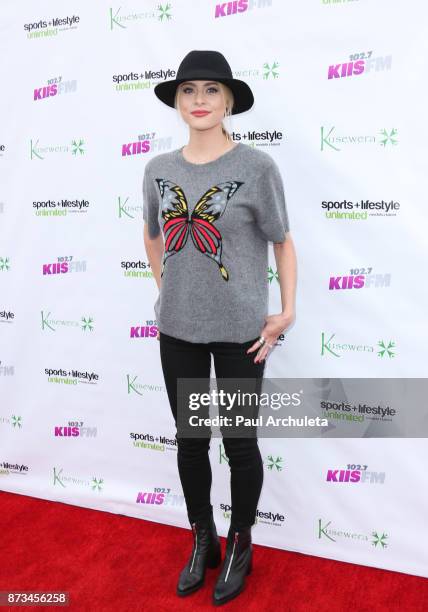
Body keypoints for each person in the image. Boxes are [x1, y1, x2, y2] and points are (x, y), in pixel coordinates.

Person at [142, 49, 297, 606]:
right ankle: (202, 536)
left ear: (229, 100)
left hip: (241, 332)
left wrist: (286, 311)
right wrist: (168, 290)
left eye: (211, 90)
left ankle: (240, 542)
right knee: (190, 440)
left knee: (239, 444)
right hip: (178, 329)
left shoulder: (257, 167)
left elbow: (282, 241)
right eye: (189, 91)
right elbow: (154, 233)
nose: (199, 101)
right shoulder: (158, 168)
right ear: (177, 102)